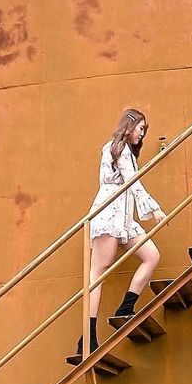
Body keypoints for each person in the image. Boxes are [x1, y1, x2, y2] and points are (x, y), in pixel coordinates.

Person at [77, 108, 167, 355]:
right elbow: (133, 182)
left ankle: (126, 306)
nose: (142, 134)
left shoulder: (125, 151)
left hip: (124, 219)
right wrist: (155, 210)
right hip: (109, 214)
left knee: (151, 255)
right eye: (141, 128)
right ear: (130, 125)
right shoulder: (117, 149)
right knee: (98, 272)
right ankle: (88, 336)